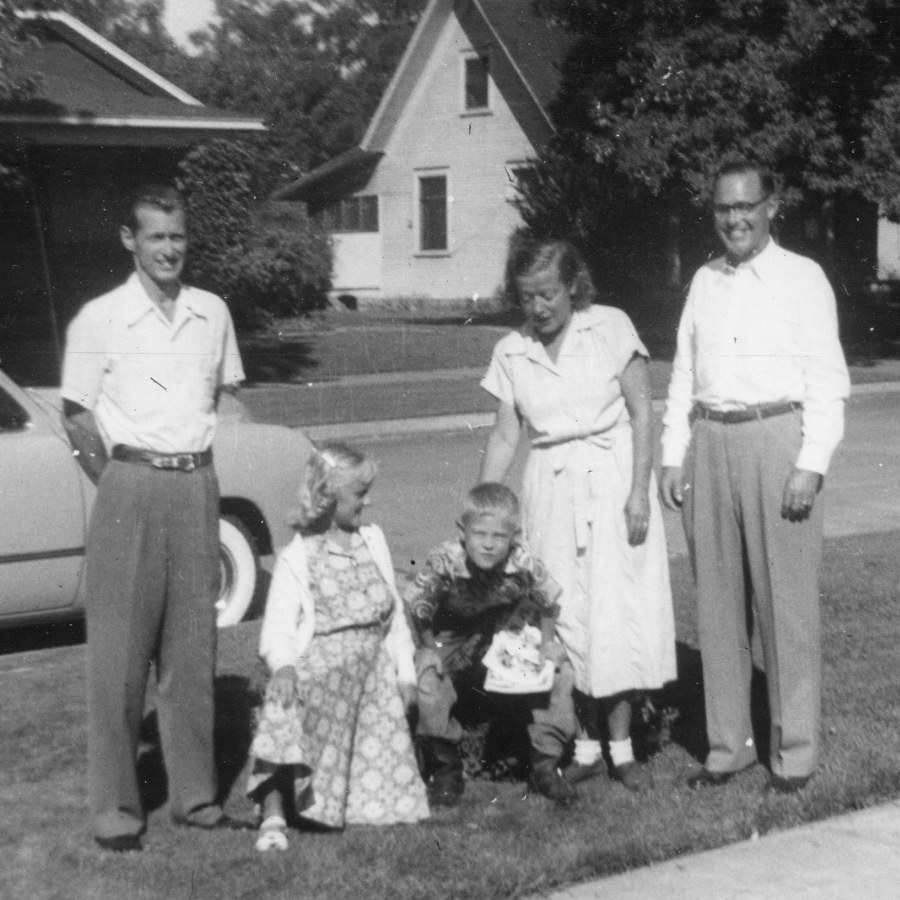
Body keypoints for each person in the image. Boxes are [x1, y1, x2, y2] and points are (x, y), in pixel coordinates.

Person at [60, 184, 248, 852]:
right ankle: (116, 809)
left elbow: (218, 400)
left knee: (193, 653)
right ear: (129, 241)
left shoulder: (212, 313)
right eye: (155, 237)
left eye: (177, 237)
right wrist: (115, 477)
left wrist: (192, 473)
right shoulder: (100, 318)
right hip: (129, 486)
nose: (168, 250)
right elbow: (76, 414)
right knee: (118, 658)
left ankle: (196, 799)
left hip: (195, 486)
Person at [660, 160, 850, 794]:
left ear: (773, 205)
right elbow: (684, 374)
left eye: (746, 206)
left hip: (777, 442)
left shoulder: (804, 278)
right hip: (709, 442)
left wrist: (810, 464)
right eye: (723, 209)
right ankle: (728, 746)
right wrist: (671, 453)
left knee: (785, 609)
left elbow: (827, 381)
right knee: (716, 608)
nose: (735, 219)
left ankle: (794, 751)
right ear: (712, 213)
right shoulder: (704, 281)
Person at [479, 238, 676, 791]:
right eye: (526, 298)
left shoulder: (610, 327)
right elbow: (503, 434)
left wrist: (639, 491)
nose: (537, 308)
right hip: (550, 487)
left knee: (616, 614)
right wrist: (481, 509)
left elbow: (643, 414)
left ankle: (623, 745)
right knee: (563, 614)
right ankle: (584, 746)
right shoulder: (511, 351)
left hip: (613, 481)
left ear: (572, 287)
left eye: (547, 295)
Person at [247, 443, 429, 852]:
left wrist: (405, 673)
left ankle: (325, 798)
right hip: (322, 664)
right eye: (360, 493)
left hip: (373, 672)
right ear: (329, 497)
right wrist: (285, 668)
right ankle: (273, 809)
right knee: (283, 699)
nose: (369, 500)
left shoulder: (373, 540)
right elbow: (276, 631)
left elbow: (395, 616)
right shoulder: (298, 555)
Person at [406, 482, 578, 807]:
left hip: (503, 623)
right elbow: (419, 605)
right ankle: (445, 768)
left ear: (514, 536)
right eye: (479, 535)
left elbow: (548, 601)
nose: (487, 545)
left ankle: (545, 765)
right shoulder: (445, 559)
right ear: (462, 531)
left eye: (498, 537)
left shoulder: (524, 561)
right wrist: (428, 646)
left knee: (559, 670)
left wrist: (547, 642)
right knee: (428, 677)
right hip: (452, 626)